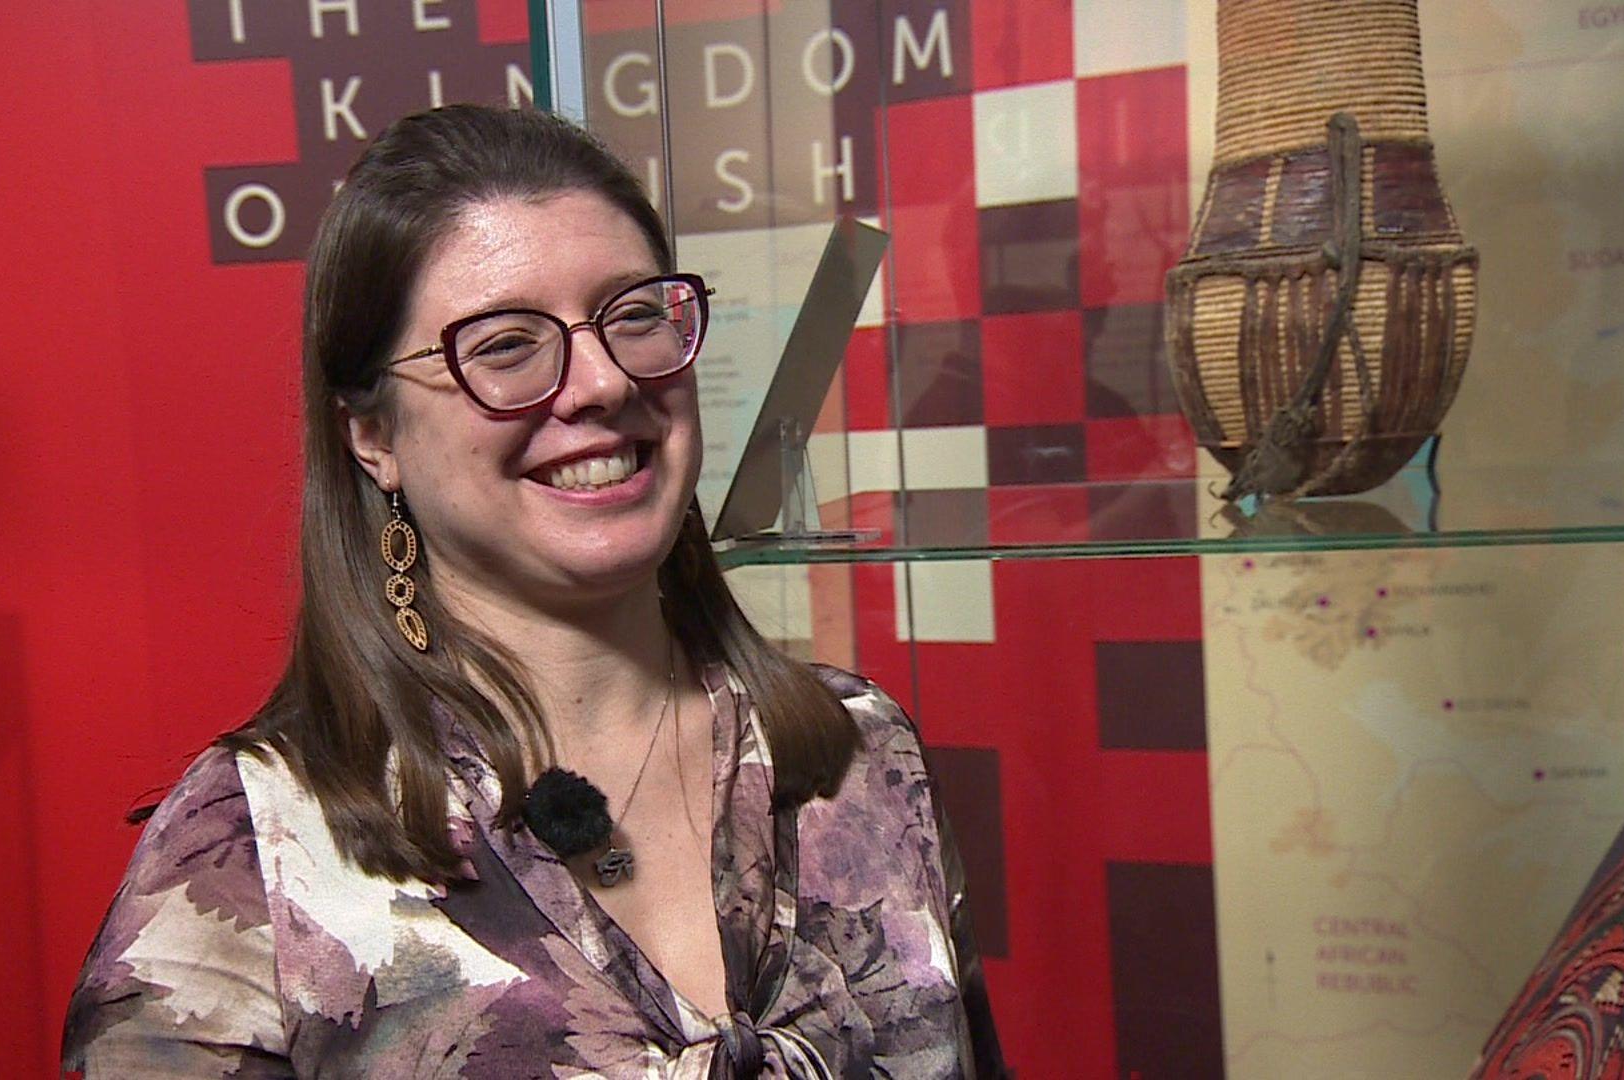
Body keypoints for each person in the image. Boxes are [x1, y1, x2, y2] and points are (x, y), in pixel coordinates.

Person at [62, 104, 1003, 1078]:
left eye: (634, 316)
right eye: (506, 344)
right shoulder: (255, 854)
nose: (600, 382)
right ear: (373, 435)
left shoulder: (857, 752)